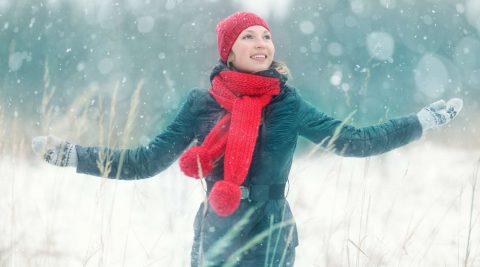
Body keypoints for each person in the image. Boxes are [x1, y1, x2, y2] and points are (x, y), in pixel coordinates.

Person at [32, 12, 463, 267]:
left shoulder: (288, 104)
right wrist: (73, 154)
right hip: (217, 230)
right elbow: (146, 161)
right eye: (248, 36)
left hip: (272, 231)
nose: (261, 42)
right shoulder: (201, 104)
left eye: (266, 35)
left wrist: (421, 121)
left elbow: (354, 141)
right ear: (229, 51)